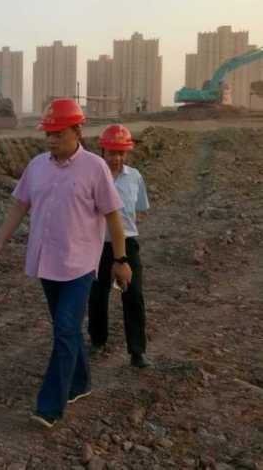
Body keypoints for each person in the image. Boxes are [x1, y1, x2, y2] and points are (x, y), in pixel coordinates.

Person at [0, 99, 132, 429]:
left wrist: (121, 259)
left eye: (58, 133)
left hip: (79, 264)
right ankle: (80, 382)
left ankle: (49, 406)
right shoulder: (37, 166)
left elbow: (113, 217)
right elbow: (20, 204)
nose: (51, 140)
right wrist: (1, 239)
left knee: (65, 328)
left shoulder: (95, 168)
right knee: (65, 328)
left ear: (77, 131)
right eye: (48, 134)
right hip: (46, 262)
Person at [88, 124, 152, 368]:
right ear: (102, 151)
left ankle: (137, 351)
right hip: (98, 245)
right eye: (112, 152)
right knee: (97, 294)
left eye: (121, 153)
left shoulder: (134, 177)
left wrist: (126, 228)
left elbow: (141, 209)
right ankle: (97, 341)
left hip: (127, 245)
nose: (116, 158)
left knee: (133, 295)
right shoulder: (93, 176)